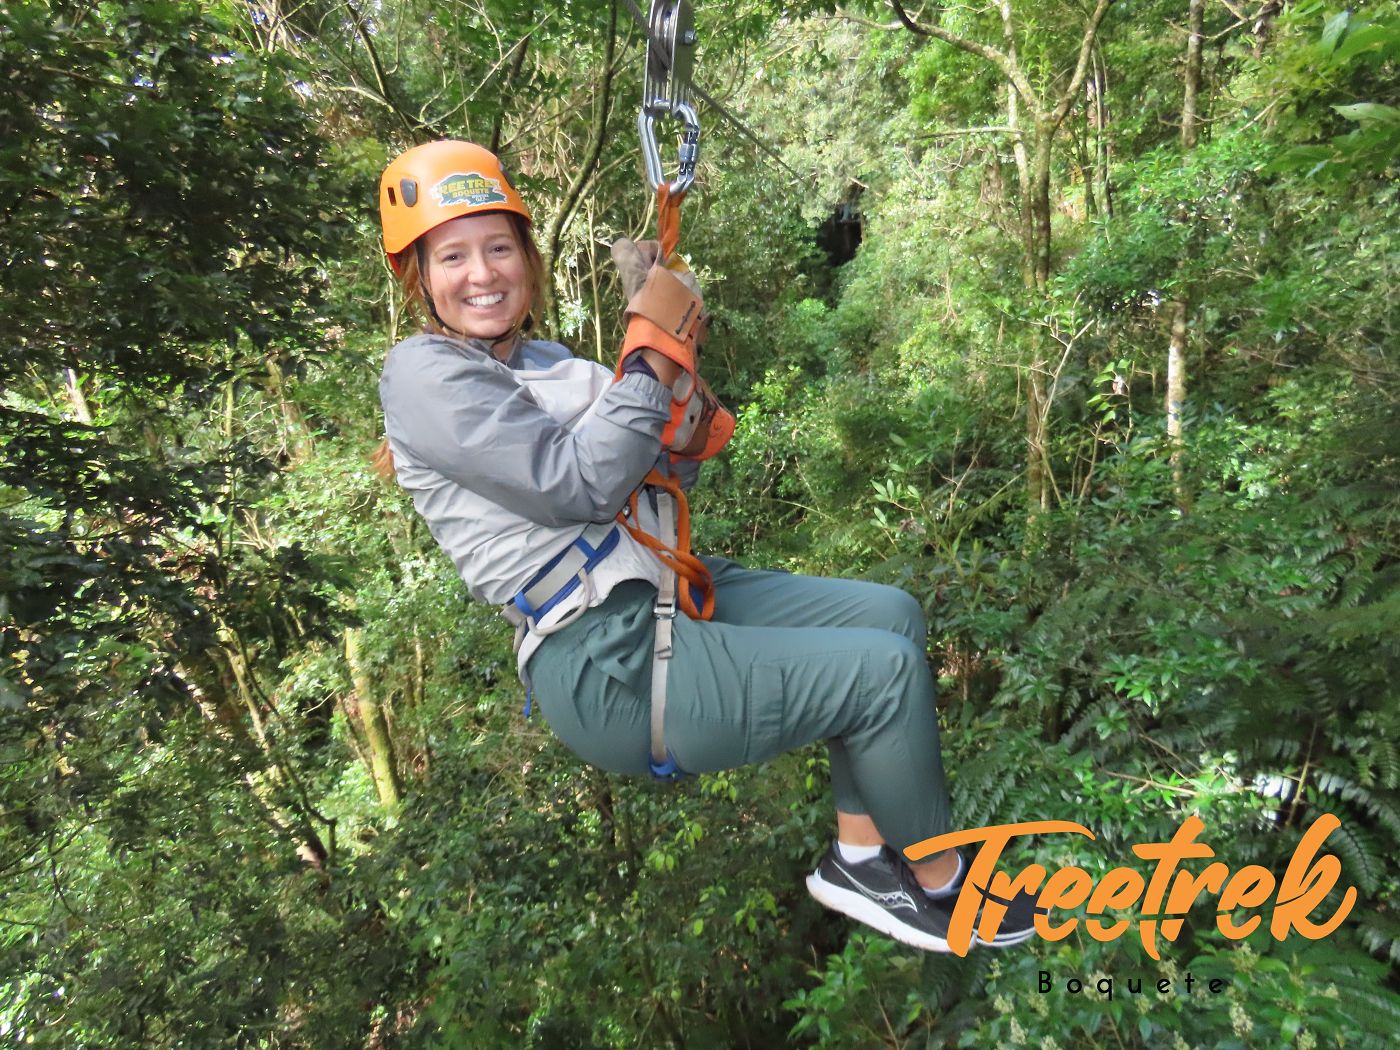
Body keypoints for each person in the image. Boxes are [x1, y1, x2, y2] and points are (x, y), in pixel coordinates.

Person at [374, 139, 1037, 953]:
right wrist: (651, 351)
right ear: (419, 276)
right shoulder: (421, 373)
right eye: (453, 256)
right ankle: (946, 885)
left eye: (498, 248)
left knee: (891, 617)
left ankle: (863, 859)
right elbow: (576, 485)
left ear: (528, 259)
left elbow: (666, 462)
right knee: (882, 676)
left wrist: (672, 376)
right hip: (602, 656)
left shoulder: (548, 364)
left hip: (660, 591)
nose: (482, 273)